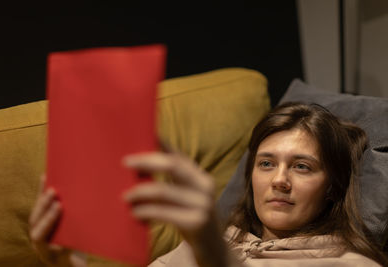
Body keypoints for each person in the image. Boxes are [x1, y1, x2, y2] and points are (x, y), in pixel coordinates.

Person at [29, 102, 388, 267]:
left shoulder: (349, 264)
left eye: (302, 167)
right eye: (266, 163)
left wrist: (210, 252)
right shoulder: (200, 246)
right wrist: (63, 262)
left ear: (332, 186)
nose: (279, 180)